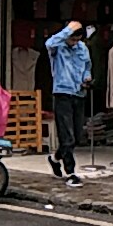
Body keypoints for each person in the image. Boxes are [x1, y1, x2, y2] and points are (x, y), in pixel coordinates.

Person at [46, 20, 91, 187]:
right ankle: (71, 172)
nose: (74, 43)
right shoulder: (57, 47)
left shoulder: (83, 48)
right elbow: (49, 43)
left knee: (78, 135)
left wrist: (87, 77)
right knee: (67, 135)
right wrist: (67, 30)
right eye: (72, 39)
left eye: (77, 40)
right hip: (62, 93)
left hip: (79, 93)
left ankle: (55, 157)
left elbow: (87, 66)